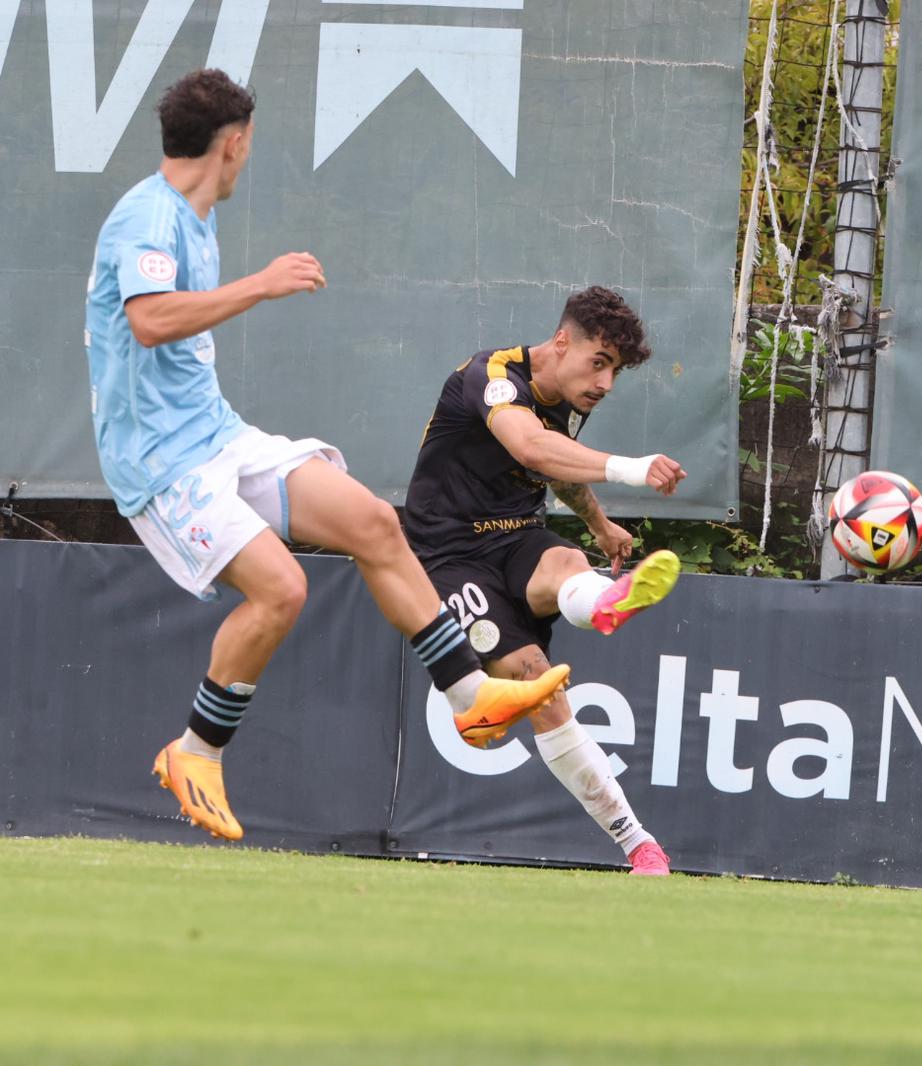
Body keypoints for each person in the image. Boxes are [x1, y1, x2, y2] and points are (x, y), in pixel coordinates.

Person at [83, 69, 568, 842]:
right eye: (249, 146)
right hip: (160, 465)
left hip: (216, 435)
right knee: (280, 589)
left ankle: (468, 693)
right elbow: (149, 320)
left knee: (373, 522)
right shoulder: (149, 218)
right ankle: (195, 751)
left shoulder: (191, 215)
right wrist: (263, 285)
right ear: (233, 145)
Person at [402, 286, 686, 875]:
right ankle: (638, 842)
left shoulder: (570, 400)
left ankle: (605, 602)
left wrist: (601, 525)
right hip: (449, 553)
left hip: (514, 536)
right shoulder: (491, 375)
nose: (606, 383)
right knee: (537, 684)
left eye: (616, 371)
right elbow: (530, 447)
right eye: (599, 362)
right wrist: (632, 470)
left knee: (565, 565)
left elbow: (556, 467)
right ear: (562, 341)